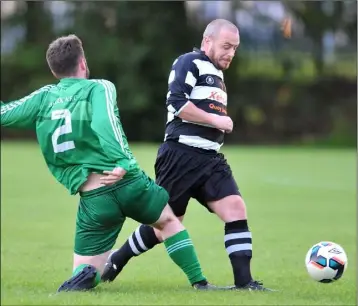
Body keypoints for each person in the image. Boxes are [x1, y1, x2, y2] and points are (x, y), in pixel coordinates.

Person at [0, 34, 220, 292]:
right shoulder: (99, 87)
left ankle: (85, 277)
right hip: (127, 181)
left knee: (86, 271)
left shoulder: (43, 97)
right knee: (169, 222)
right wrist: (122, 162)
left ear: (52, 69)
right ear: (83, 63)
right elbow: (104, 123)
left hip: (94, 197)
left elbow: (4, 115)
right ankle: (200, 283)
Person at [102, 19, 273, 291]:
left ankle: (245, 284)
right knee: (165, 224)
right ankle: (117, 259)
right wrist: (217, 121)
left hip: (211, 159)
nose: (231, 53)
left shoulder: (218, 74)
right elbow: (177, 103)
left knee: (236, 209)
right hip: (181, 154)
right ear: (208, 42)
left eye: (235, 48)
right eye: (226, 46)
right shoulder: (189, 62)